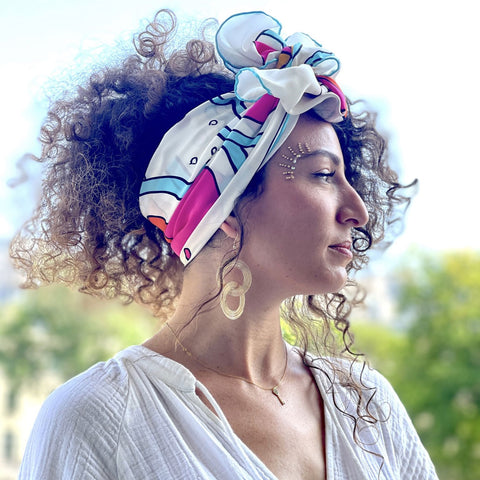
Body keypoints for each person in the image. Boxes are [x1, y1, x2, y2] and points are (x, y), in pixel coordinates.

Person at [11, 10, 438, 480]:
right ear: (224, 208)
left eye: (345, 177)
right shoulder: (100, 418)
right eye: (321, 175)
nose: (357, 211)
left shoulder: (366, 404)